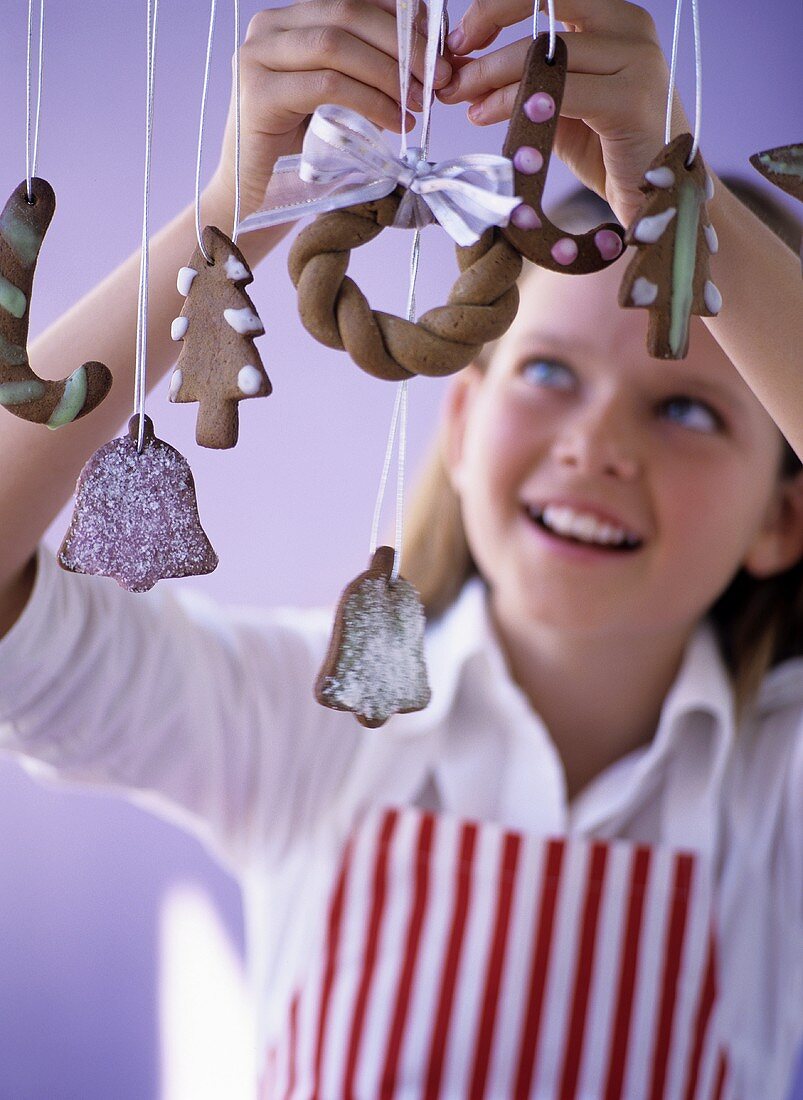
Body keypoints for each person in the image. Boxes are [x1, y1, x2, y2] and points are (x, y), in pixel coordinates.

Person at [1, 0, 801, 1096]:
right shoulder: (301, 721)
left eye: (690, 412)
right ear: (462, 426)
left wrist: (675, 201)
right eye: (549, 373)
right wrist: (242, 207)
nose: (595, 446)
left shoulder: (777, 794)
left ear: (783, 519)